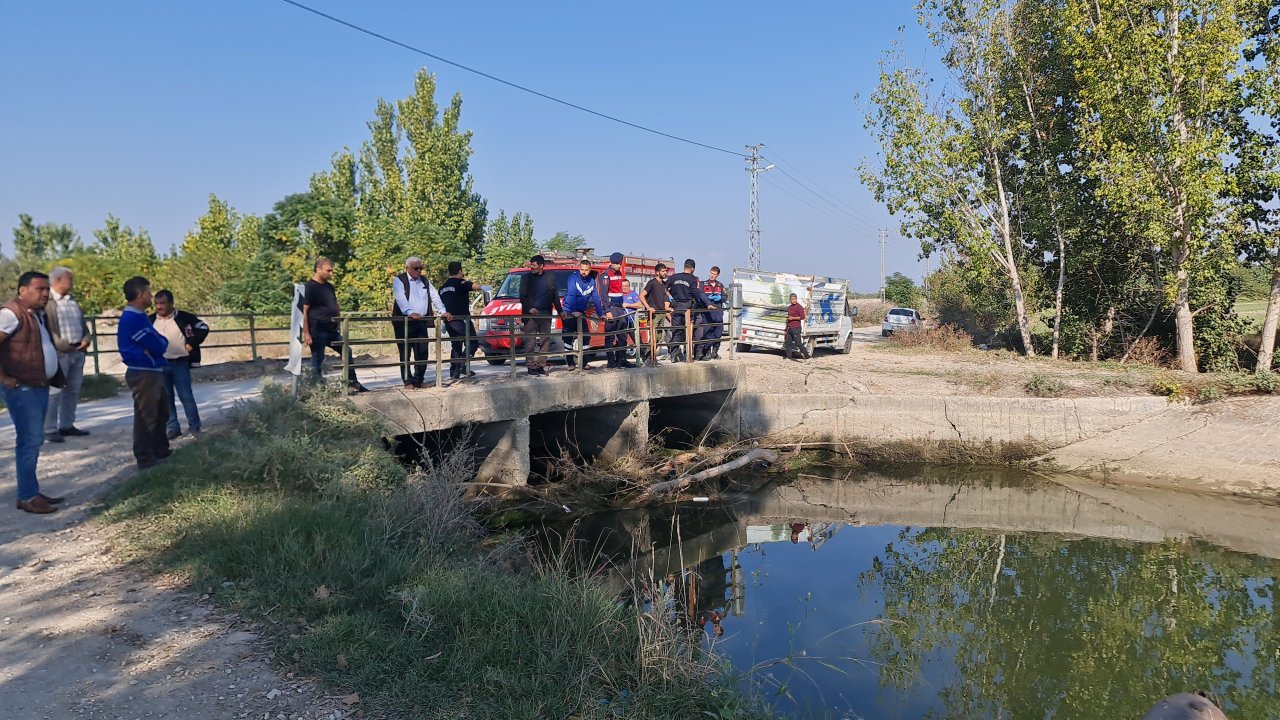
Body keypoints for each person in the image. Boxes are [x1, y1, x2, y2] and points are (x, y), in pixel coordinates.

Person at [0, 271, 65, 514]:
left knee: (33, 440)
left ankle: (31, 491)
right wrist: (3, 378)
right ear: (22, 290)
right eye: (39, 289)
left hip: (36, 386)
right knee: (29, 441)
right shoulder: (10, 314)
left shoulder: (35, 314)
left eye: (47, 289)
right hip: (22, 389)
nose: (45, 293)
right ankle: (27, 496)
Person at [117, 276, 171, 470]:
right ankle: (145, 457)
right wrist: (158, 344)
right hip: (144, 372)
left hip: (153, 369)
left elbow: (158, 341)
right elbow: (158, 344)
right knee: (146, 414)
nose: (151, 296)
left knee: (161, 411)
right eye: (148, 292)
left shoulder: (139, 316)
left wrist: (158, 342)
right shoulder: (132, 318)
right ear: (140, 294)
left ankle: (160, 449)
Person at [303, 258, 368, 393]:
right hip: (317, 329)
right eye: (328, 270)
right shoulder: (310, 287)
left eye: (332, 270)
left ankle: (352, 382)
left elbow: (334, 304)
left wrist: (338, 320)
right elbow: (304, 311)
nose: (331, 273)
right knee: (317, 359)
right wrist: (306, 333)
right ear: (318, 270)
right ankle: (318, 389)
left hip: (331, 329)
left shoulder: (329, 287)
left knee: (346, 350)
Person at [151, 290, 209, 439]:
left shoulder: (184, 317)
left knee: (186, 396)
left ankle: (195, 427)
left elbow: (203, 328)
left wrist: (192, 344)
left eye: (162, 303)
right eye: (156, 303)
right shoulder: (150, 320)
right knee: (166, 398)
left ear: (171, 303)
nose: (159, 307)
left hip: (180, 362)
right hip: (160, 364)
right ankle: (173, 427)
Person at [43, 266, 92, 443]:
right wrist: (61, 346)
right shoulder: (47, 302)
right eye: (69, 279)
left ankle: (67, 425)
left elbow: (82, 324)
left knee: (73, 390)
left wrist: (86, 338)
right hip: (60, 353)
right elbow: (48, 328)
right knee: (54, 391)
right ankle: (49, 429)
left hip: (78, 351)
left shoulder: (73, 301)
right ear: (57, 281)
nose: (72, 283)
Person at [391, 256, 448, 389]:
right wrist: (410, 312)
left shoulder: (424, 281)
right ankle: (408, 381)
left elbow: (434, 296)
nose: (419, 271)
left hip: (421, 321)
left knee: (422, 351)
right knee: (405, 352)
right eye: (416, 268)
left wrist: (443, 311)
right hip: (404, 321)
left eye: (421, 268)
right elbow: (400, 298)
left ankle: (419, 379)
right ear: (408, 268)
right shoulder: (400, 280)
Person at [517, 254, 561, 376]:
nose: (532, 267)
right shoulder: (526, 278)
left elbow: (555, 296)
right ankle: (531, 366)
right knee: (530, 342)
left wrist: (560, 310)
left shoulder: (550, 277)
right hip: (530, 315)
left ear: (541, 266)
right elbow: (522, 296)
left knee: (545, 340)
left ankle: (541, 365)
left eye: (534, 265)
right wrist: (529, 308)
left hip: (545, 314)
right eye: (531, 265)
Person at [664, 258, 710, 363]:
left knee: (676, 330)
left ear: (684, 266)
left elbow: (665, 288)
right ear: (693, 269)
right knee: (687, 332)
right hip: (688, 309)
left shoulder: (674, 277)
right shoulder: (692, 279)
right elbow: (696, 294)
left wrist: (671, 297)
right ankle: (687, 355)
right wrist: (701, 303)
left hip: (676, 307)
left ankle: (673, 355)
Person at [562, 258, 603, 370]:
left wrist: (601, 314)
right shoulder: (572, 278)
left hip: (581, 312)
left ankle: (584, 363)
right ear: (579, 269)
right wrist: (573, 310)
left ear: (590, 270)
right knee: (568, 338)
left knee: (586, 337)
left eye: (586, 270)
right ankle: (570, 363)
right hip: (569, 310)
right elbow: (571, 294)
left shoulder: (591, 281)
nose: (583, 272)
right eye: (582, 269)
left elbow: (596, 298)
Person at [439, 261, 477, 381]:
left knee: (456, 345)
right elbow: (473, 286)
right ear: (460, 271)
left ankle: (454, 372)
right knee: (472, 342)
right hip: (462, 319)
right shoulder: (461, 283)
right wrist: (484, 287)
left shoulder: (443, 286)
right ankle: (461, 365)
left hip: (448, 319)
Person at [596, 252, 634, 369]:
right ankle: (611, 361)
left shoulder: (619, 273)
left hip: (619, 307)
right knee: (610, 335)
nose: (618, 265)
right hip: (611, 307)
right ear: (612, 263)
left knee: (622, 335)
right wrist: (607, 310)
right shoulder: (606, 275)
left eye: (619, 263)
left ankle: (621, 359)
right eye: (617, 263)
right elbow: (603, 294)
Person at [641, 263, 673, 367]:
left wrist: (667, 308)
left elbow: (664, 300)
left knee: (660, 337)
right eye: (663, 271)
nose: (665, 273)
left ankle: (652, 357)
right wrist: (648, 307)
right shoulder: (652, 283)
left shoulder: (664, 285)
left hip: (662, 313)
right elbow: (642, 296)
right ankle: (647, 357)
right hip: (654, 314)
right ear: (657, 272)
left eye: (665, 271)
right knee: (653, 337)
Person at [697, 266, 727, 360]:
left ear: (717, 275)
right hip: (707, 314)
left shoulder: (720, 285)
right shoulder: (703, 284)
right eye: (711, 273)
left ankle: (715, 352)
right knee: (707, 333)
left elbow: (725, 296)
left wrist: (720, 298)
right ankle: (707, 351)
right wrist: (708, 301)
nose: (712, 276)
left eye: (714, 274)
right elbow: (701, 294)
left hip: (718, 313)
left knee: (718, 333)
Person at [783, 292, 811, 361]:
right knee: (787, 343)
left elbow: (803, 317)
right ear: (790, 300)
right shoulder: (789, 307)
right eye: (792, 299)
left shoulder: (799, 307)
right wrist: (786, 329)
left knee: (798, 343)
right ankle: (789, 357)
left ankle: (808, 357)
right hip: (789, 328)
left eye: (795, 299)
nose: (794, 300)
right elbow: (788, 318)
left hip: (796, 328)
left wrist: (793, 318)